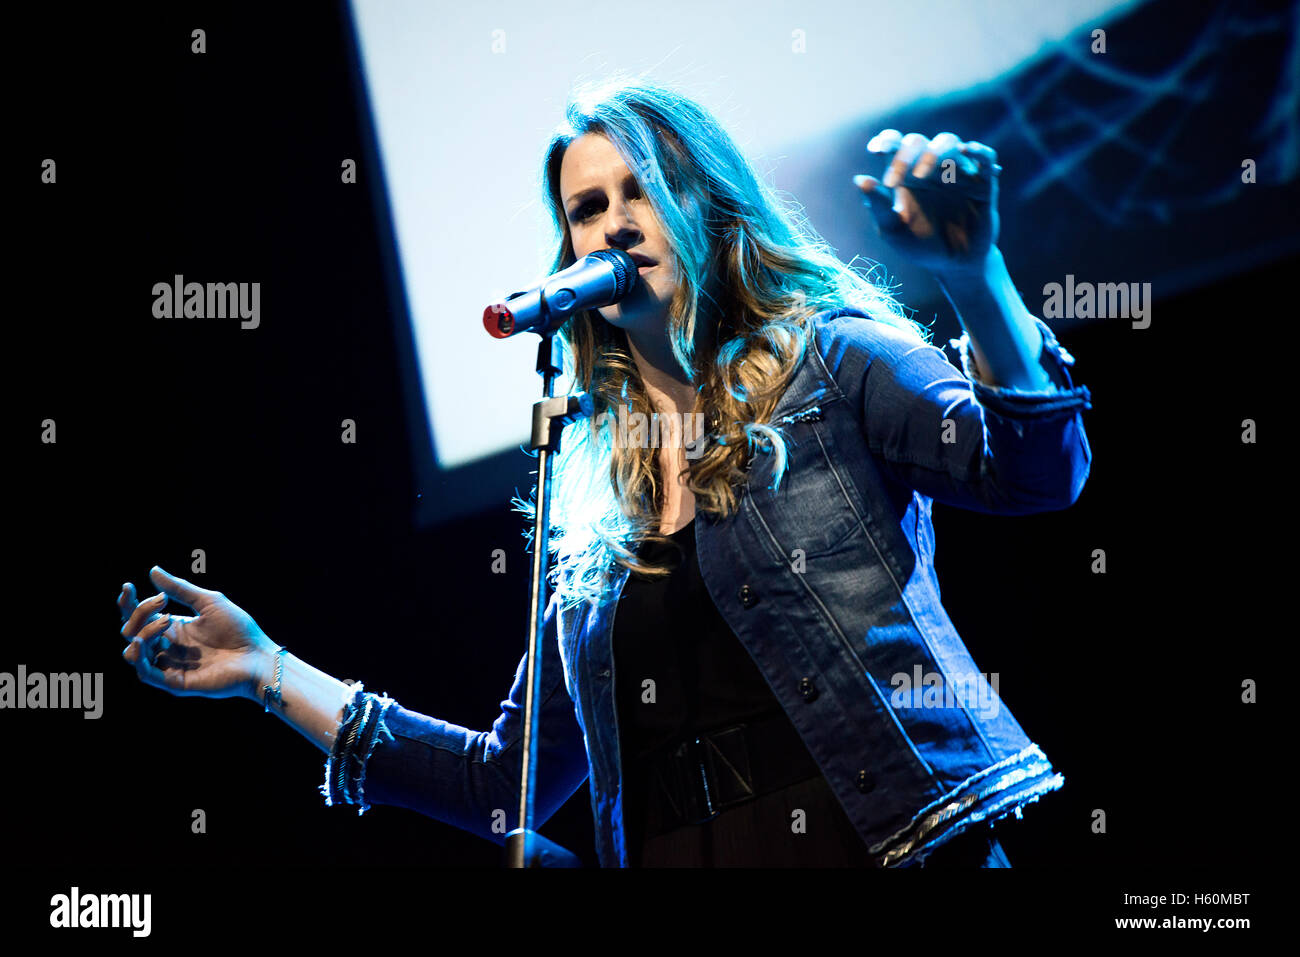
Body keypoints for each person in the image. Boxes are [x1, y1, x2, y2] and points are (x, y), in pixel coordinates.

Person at [117, 75, 1091, 868]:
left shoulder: (831, 358)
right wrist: (265, 670)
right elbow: (506, 783)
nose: (617, 223)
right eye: (589, 208)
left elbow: (1033, 473)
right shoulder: (594, 506)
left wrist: (976, 281)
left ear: (708, 207)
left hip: (890, 850)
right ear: (570, 250)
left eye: (642, 190)